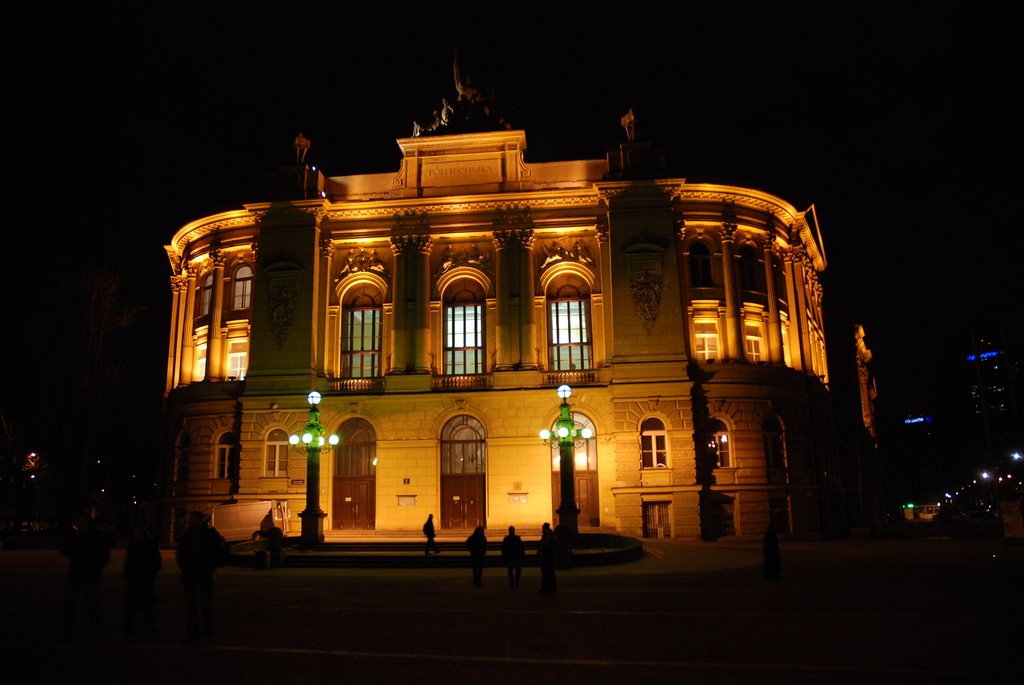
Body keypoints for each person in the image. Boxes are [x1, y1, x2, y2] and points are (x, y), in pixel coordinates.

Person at [176, 511, 228, 640]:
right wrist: (183, 567)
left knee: (205, 603)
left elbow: (219, 553)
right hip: (191, 574)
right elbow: (180, 553)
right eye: (190, 520)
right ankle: (193, 631)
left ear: (200, 521)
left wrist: (213, 568)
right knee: (191, 604)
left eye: (193, 520)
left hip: (205, 573)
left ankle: (206, 628)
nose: (191, 523)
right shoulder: (188, 535)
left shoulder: (210, 534)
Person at [59, 513, 111, 641]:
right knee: (71, 605)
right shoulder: (77, 537)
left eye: (83, 523)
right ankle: (68, 631)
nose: (81, 525)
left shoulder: (97, 538)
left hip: (90, 576)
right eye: (80, 523)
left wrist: (96, 567)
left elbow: (104, 556)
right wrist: (72, 539)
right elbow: (65, 551)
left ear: (89, 524)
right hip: (77, 576)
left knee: (93, 604)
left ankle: (97, 628)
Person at [122, 524, 162, 638]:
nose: (137, 534)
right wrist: (127, 574)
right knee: (130, 605)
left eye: (139, 532)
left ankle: (149, 626)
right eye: (135, 532)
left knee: (146, 604)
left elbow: (156, 561)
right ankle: (128, 629)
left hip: (144, 578)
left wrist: (150, 574)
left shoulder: (149, 544)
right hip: (133, 578)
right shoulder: (133, 544)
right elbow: (128, 560)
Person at [538, 522, 559, 592]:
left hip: (547, 557)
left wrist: (541, 550)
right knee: (550, 573)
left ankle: (546, 587)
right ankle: (551, 587)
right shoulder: (551, 535)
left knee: (546, 572)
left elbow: (544, 545)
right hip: (550, 557)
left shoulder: (547, 536)